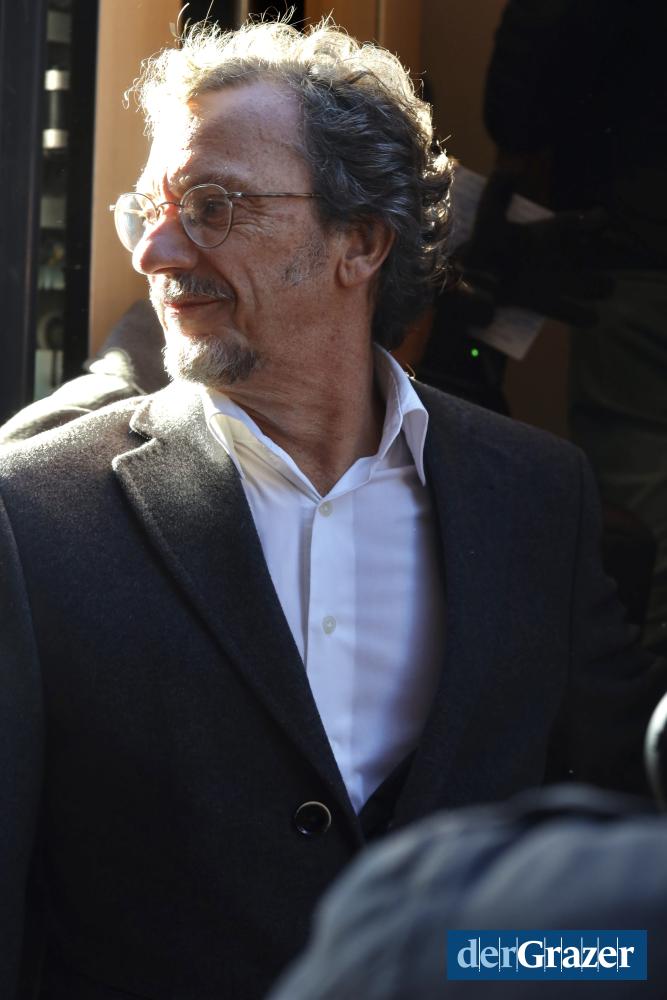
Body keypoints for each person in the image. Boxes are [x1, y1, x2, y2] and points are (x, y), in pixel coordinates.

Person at [0, 17, 664, 1000]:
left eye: (213, 206)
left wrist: (463, 968)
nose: (157, 252)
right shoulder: (35, 513)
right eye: (150, 210)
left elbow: (621, 889)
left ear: (360, 241)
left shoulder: (535, 496)